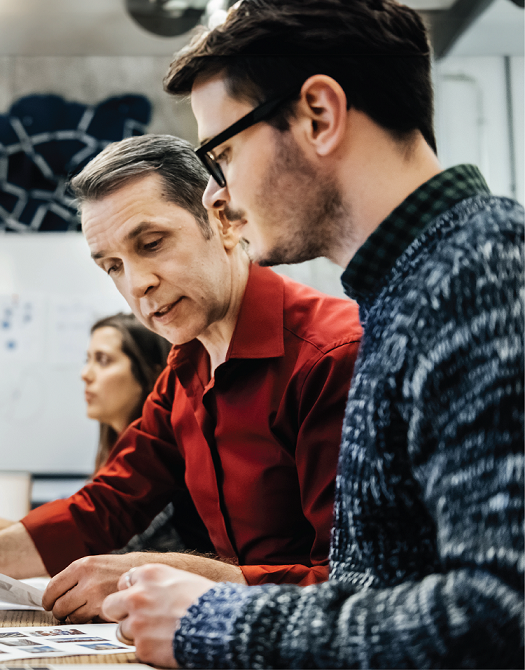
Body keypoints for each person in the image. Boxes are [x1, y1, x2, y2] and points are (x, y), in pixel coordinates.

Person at [101, 1, 524, 667]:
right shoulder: (406, 289)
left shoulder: (482, 272)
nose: (219, 198)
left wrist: (215, 619)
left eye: (224, 152)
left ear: (317, 116)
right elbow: (375, 591)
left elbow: (499, 616)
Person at [0, 133, 363, 623]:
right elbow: (100, 509)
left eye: (152, 243)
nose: (137, 284)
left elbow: (355, 590)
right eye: (112, 266)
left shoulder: (330, 357)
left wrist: (172, 572)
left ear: (225, 219)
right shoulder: (186, 366)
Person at [0, 313, 208, 554]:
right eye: (87, 360)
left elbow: (98, 547)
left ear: (152, 374)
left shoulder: (161, 462)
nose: (85, 374)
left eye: (104, 360)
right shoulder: (113, 456)